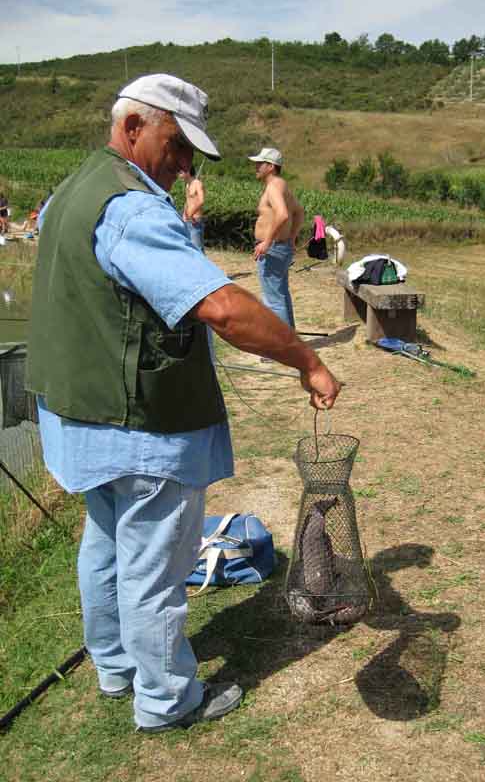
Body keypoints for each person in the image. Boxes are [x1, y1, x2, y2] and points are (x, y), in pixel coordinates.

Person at [25, 74, 341, 734]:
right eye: (175, 145)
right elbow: (221, 307)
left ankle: (114, 667)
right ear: (132, 127)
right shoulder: (134, 210)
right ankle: (167, 700)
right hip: (139, 425)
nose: (184, 164)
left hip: (76, 416)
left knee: (106, 545)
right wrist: (307, 361)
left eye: (191, 152)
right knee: (153, 569)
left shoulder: (69, 191)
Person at [248, 147, 303, 328]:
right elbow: (299, 212)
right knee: (280, 295)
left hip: (273, 249)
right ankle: (290, 339)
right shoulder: (281, 185)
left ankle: (283, 344)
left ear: (271, 166)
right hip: (281, 246)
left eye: (260, 164)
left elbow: (283, 214)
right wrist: (292, 238)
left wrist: (267, 241)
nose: (256, 167)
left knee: (273, 300)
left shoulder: (273, 186)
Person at [179, 166, 205, 251]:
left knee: (197, 249)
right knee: (189, 249)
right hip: (187, 221)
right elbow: (188, 201)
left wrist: (191, 214)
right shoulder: (187, 185)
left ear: (188, 172)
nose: (179, 174)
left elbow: (201, 200)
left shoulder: (198, 183)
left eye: (181, 172)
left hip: (195, 221)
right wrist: (184, 215)